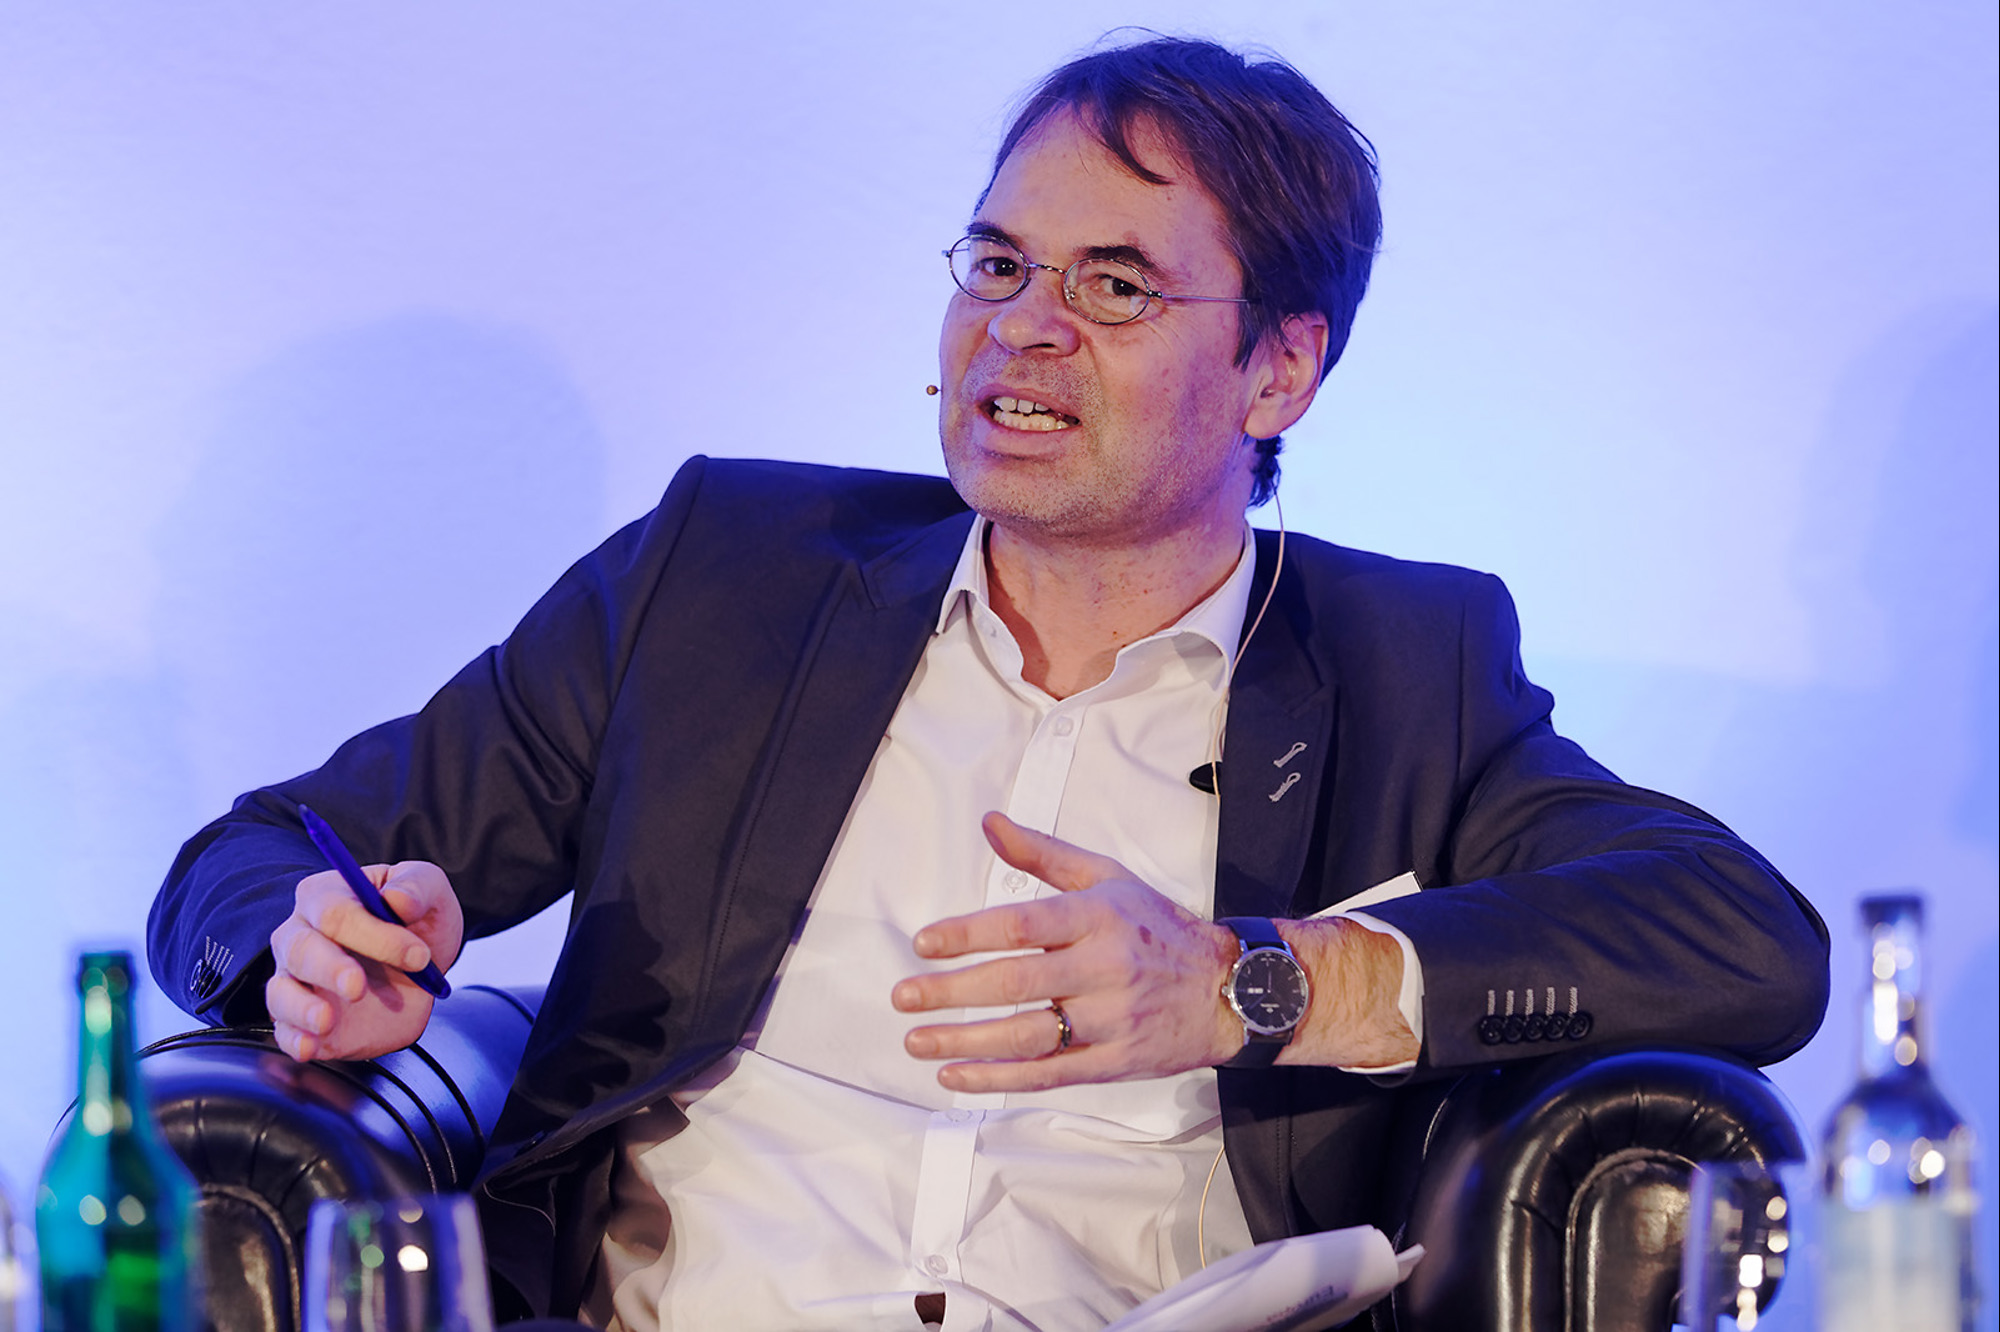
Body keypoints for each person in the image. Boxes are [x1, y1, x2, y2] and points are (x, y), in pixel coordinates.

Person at [148, 35, 1829, 1331]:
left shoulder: (1407, 667)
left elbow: (1745, 938)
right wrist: (312, 946)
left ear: (1279, 370)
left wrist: (1255, 985)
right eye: (999, 263)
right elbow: (252, 858)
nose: (1023, 327)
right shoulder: (726, 579)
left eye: (1115, 285)